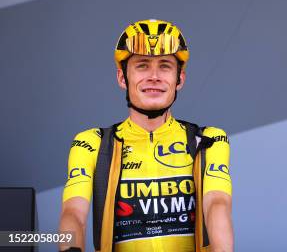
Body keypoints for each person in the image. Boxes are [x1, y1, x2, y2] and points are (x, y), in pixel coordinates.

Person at [58, 19, 233, 252]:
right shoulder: (92, 143)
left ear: (179, 79)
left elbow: (217, 205)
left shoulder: (208, 140)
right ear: (122, 78)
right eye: (142, 65)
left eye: (165, 66)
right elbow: (73, 215)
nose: (154, 76)